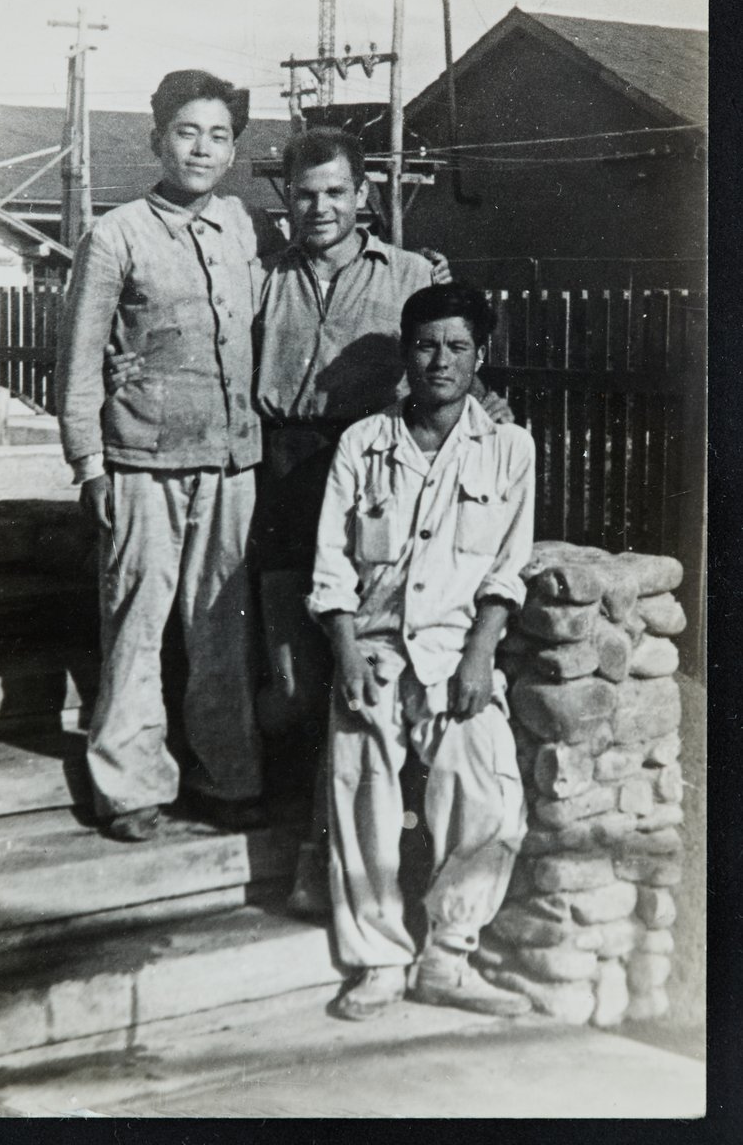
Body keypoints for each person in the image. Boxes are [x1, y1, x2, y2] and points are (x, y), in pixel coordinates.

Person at [249, 129, 513, 911]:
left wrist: (492, 411)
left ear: (362, 194)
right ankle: (302, 837)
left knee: (368, 675)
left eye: (336, 191)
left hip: (376, 480)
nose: (320, 207)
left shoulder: (412, 274)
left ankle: (332, 862)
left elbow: (452, 362)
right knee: (294, 679)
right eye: (305, 194)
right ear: (287, 199)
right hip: (284, 473)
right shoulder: (262, 278)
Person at [55, 70, 284, 841]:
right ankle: (129, 787)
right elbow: (80, 360)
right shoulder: (116, 235)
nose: (202, 148)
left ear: (234, 150)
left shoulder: (245, 227)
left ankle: (228, 777)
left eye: (219, 135)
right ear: (158, 139)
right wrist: (89, 464)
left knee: (223, 628)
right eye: (187, 132)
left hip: (231, 463)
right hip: (141, 463)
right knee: (137, 622)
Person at [307, 283, 535, 1020]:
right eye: (427, 346)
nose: (441, 361)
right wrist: (345, 653)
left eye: (457, 346)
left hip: (454, 653)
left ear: (480, 356)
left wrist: (480, 655)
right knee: (361, 794)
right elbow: (332, 566)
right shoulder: (363, 445)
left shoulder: (509, 449)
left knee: (490, 797)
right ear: (407, 354)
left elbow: (507, 567)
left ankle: (448, 956)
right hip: (371, 651)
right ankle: (377, 960)